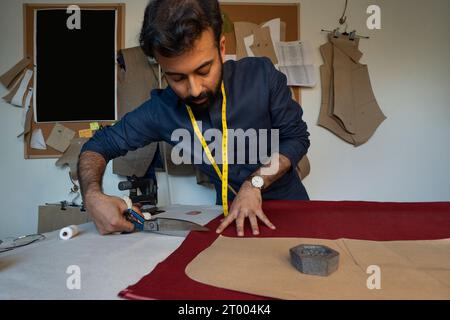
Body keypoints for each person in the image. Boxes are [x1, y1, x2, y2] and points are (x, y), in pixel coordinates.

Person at [78, 0, 310, 237]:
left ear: (221, 48)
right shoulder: (161, 109)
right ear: (161, 67)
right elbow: (98, 145)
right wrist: (92, 196)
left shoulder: (261, 75)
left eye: (204, 70)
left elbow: (296, 138)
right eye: (177, 78)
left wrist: (255, 184)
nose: (195, 89)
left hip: (289, 207)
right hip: (231, 215)